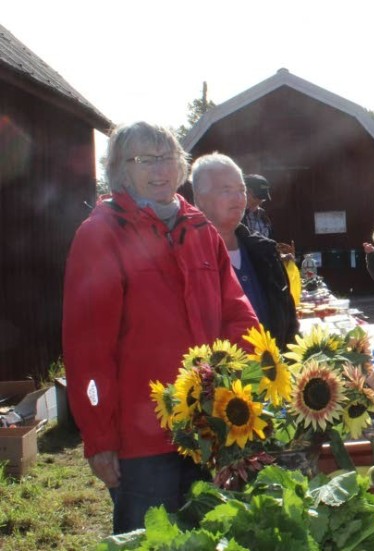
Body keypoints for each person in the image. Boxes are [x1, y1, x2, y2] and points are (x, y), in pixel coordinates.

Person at [62, 122, 258, 534]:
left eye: (167, 157)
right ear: (120, 169)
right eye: (144, 160)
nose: (159, 169)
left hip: (208, 427)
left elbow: (237, 315)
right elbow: (88, 348)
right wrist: (99, 438)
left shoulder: (202, 231)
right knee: (150, 539)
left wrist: (258, 383)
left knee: (210, 535)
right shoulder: (101, 234)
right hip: (142, 441)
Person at [191, 153, 299, 347]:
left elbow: (288, 320)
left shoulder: (265, 252)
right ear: (200, 198)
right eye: (226, 190)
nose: (238, 198)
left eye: (242, 190)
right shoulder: (187, 259)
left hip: (273, 372)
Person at [242, 174, 273, 238]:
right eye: (256, 197)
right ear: (245, 191)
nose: (259, 201)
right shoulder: (235, 217)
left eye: (262, 198)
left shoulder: (264, 216)